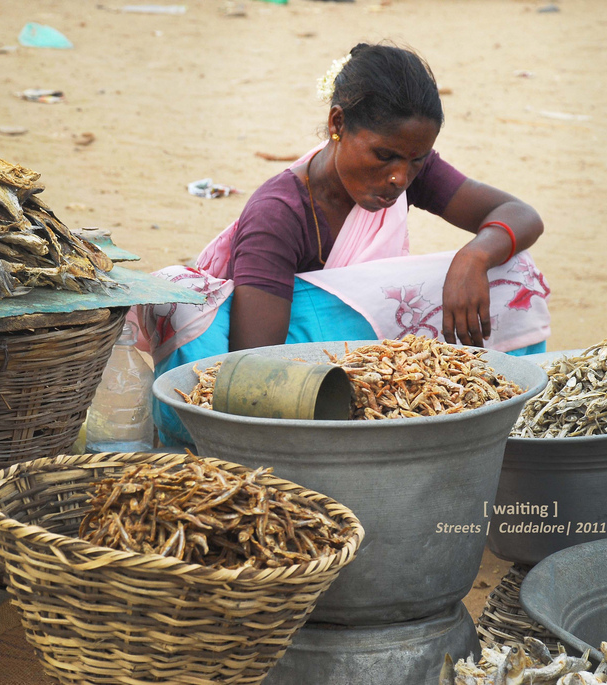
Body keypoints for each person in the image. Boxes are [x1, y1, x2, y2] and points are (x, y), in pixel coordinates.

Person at [137, 43, 551, 446]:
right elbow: (255, 364)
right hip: (295, 370)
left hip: (375, 361)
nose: (399, 178)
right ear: (337, 124)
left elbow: (519, 214)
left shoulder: (403, 162)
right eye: (384, 156)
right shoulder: (279, 213)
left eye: (417, 161)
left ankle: (507, 423)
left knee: (510, 268)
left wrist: (474, 256)